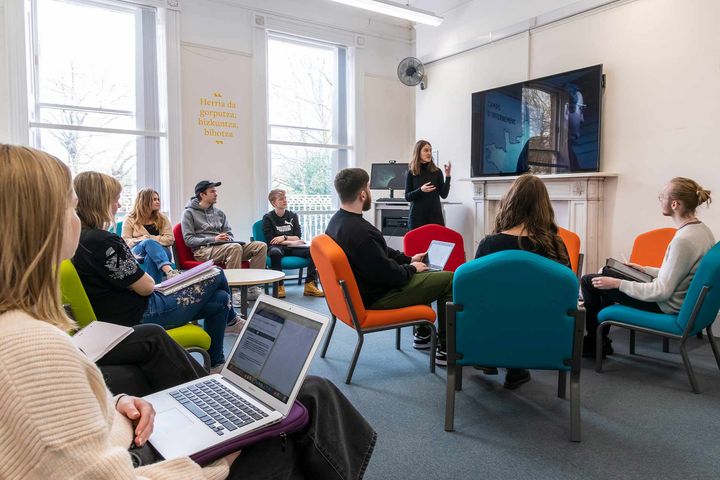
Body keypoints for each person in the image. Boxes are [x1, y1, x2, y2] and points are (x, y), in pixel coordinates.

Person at [0, 144, 377, 479]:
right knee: (313, 394)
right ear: (42, 223)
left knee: (217, 303)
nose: (77, 216)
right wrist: (220, 460)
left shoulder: (21, 332)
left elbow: (56, 441)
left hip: (127, 433)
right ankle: (223, 357)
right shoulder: (34, 348)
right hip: (154, 463)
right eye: (70, 205)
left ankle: (217, 375)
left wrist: (115, 405)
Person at [72, 171, 240, 368]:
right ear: (100, 202)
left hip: (116, 310)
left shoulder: (79, 238)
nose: (118, 205)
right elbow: (146, 287)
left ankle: (215, 361)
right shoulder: (103, 240)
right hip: (140, 312)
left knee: (220, 299)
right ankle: (233, 322)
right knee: (217, 274)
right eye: (115, 200)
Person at [326, 168, 454, 365]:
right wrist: (412, 270)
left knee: (425, 272)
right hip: (379, 297)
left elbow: (381, 253)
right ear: (362, 194)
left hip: (362, 292)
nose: (369, 192)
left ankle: (422, 335)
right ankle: (446, 349)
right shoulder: (360, 232)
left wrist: (409, 259)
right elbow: (389, 274)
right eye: (368, 188)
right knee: (449, 279)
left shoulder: (337, 222)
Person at [581, 177, 715, 357]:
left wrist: (617, 284)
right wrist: (644, 269)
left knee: (590, 281)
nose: (660, 200)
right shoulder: (701, 231)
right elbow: (680, 274)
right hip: (679, 298)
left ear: (674, 204)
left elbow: (662, 291)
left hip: (666, 305)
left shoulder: (683, 241)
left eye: (662, 196)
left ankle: (594, 344)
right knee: (607, 274)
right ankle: (601, 342)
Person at [474, 174, 571, 389]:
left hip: (495, 328)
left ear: (510, 202)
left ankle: (490, 355)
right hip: (544, 330)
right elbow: (567, 293)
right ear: (544, 206)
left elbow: (475, 295)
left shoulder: (490, 244)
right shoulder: (555, 244)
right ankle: (515, 367)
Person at [182, 180, 267, 300]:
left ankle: (252, 288)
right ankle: (233, 292)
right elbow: (189, 240)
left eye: (215, 191)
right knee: (235, 247)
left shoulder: (219, 213)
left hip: (225, 246)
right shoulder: (188, 213)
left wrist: (229, 238)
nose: (216, 194)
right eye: (212, 191)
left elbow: (229, 232)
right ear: (202, 194)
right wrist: (213, 239)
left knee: (260, 246)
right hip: (203, 251)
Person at [262, 188, 324, 298]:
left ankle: (310, 285)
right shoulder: (268, 217)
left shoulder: (292, 215)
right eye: (281, 199)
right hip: (277, 248)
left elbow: (298, 236)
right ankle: (279, 286)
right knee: (275, 252)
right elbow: (271, 240)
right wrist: (292, 240)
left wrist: (283, 237)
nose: (285, 200)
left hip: (292, 247)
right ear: (273, 203)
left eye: (285, 198)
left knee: (313, 251)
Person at [122, 188, 179, 283]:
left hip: (162, 252)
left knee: (150, 257)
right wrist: (142, 240)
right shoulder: (130, 218)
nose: (158, 202)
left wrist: (151, 238)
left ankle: (154, 289)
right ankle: (169, 271)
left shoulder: (162, 218)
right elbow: (125, 241)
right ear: (144, 201)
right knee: (148, 242)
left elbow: (170, 239)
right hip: (137, 252)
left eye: (158, 199)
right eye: (154, 199)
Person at [404, 140, 451, 230]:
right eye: (426, 150)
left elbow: (444, 195)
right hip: (417, 220)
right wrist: (420, 190)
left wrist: (448, 177)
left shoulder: (437, 172)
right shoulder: (411, 172)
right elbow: (407, 197)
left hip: (435, 218)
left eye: (430, 150)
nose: (429, 153)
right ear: (418, 152)